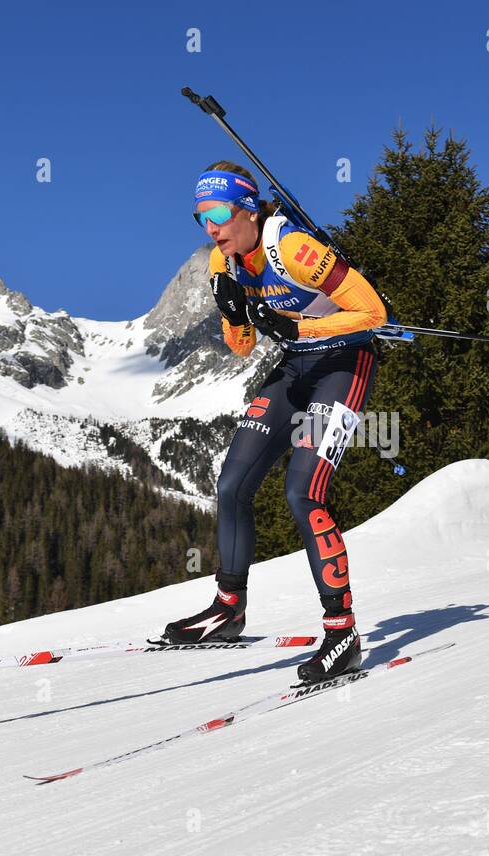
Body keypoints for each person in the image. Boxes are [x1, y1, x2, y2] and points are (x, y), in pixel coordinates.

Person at [158, 162, 389, 683]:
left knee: (302, 490)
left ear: (246, 207)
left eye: (217, 213)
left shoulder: (293, 249)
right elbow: (240, 349)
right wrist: (235, 315)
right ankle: (227, 610)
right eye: (200, 216)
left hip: (343, 365)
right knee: (233, 483)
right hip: (294, 369)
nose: (211, 227)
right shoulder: (223, 261)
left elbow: (375, 313)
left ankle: (342, 632)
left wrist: (296, 324)